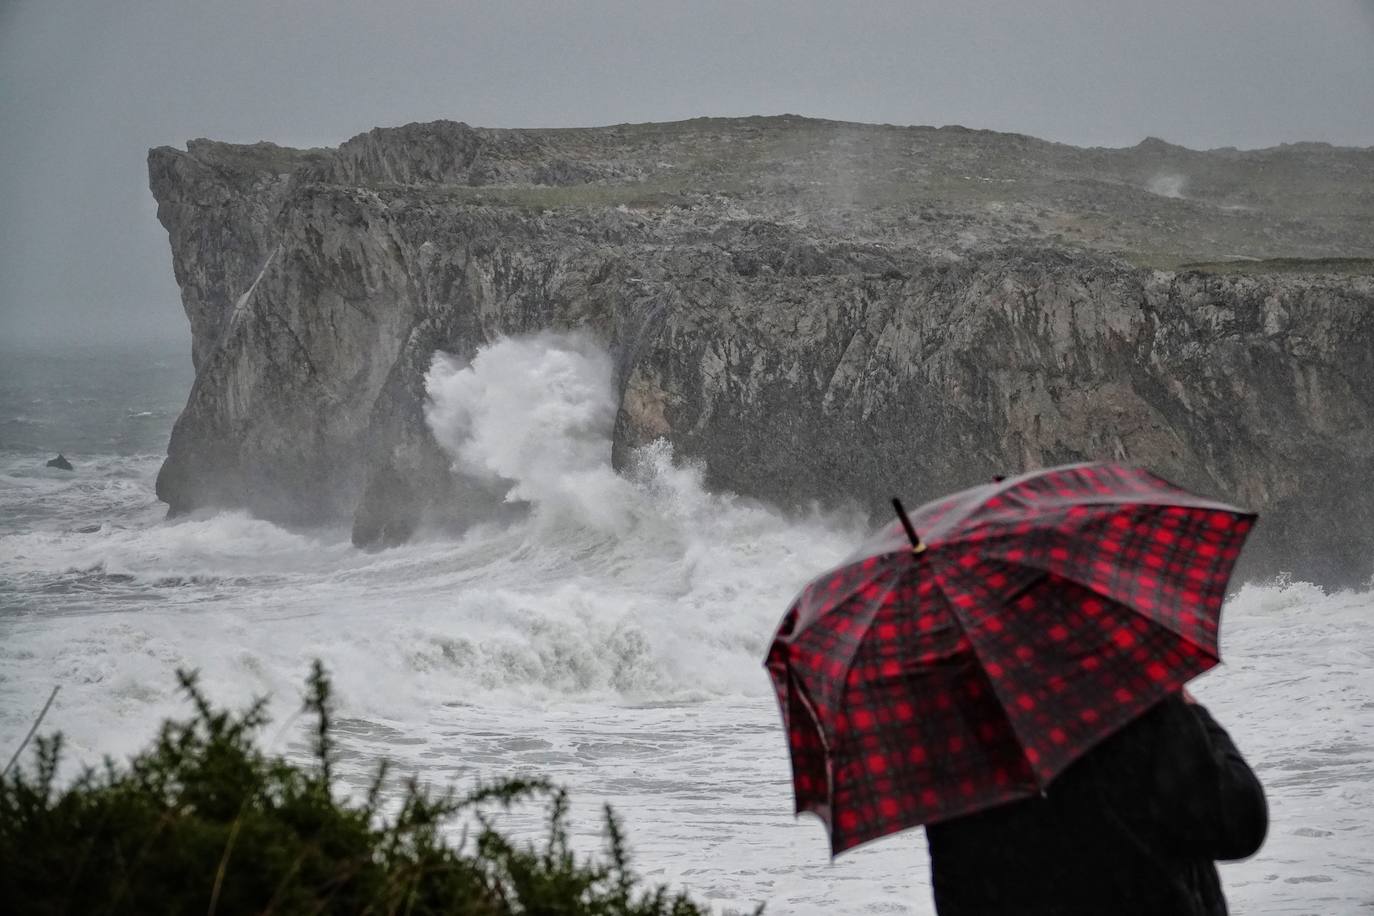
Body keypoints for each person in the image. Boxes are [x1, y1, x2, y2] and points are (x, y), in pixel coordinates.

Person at [925, 690, 1267, 916]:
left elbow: (957, 900)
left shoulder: (943, 746)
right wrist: (1191, 711)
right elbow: (1238, 822)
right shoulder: (1120, 692)